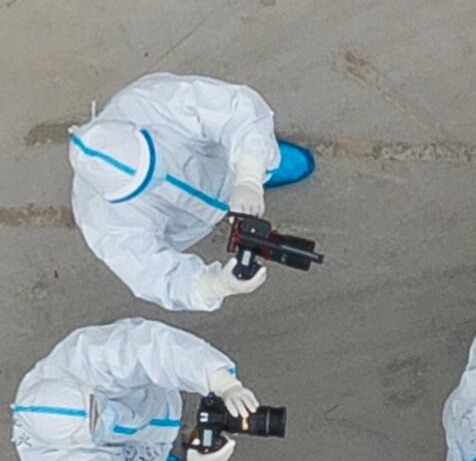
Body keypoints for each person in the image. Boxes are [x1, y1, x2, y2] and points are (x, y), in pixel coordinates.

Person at [68, 71, 316, 311]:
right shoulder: (102, 220)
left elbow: (234, 110)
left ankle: (255, 163)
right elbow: (152, 275)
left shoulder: (151, 102)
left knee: (251, 151)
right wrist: (212, 286)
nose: (158, 179)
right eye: (145, 185)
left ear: (140, 133)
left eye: (153, 165)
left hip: (216, 163)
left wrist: (249, 176)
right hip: (185, 220)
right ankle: (250, 169)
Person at [11, 318, 261, 461]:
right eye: (95, 425)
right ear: (71, 445)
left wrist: (217, 379)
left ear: (82, 386)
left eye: (97, 406)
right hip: (143, 456)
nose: (113, 416)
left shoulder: (82, 359)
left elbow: (146, 348)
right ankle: (175, 460)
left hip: (159, 398)